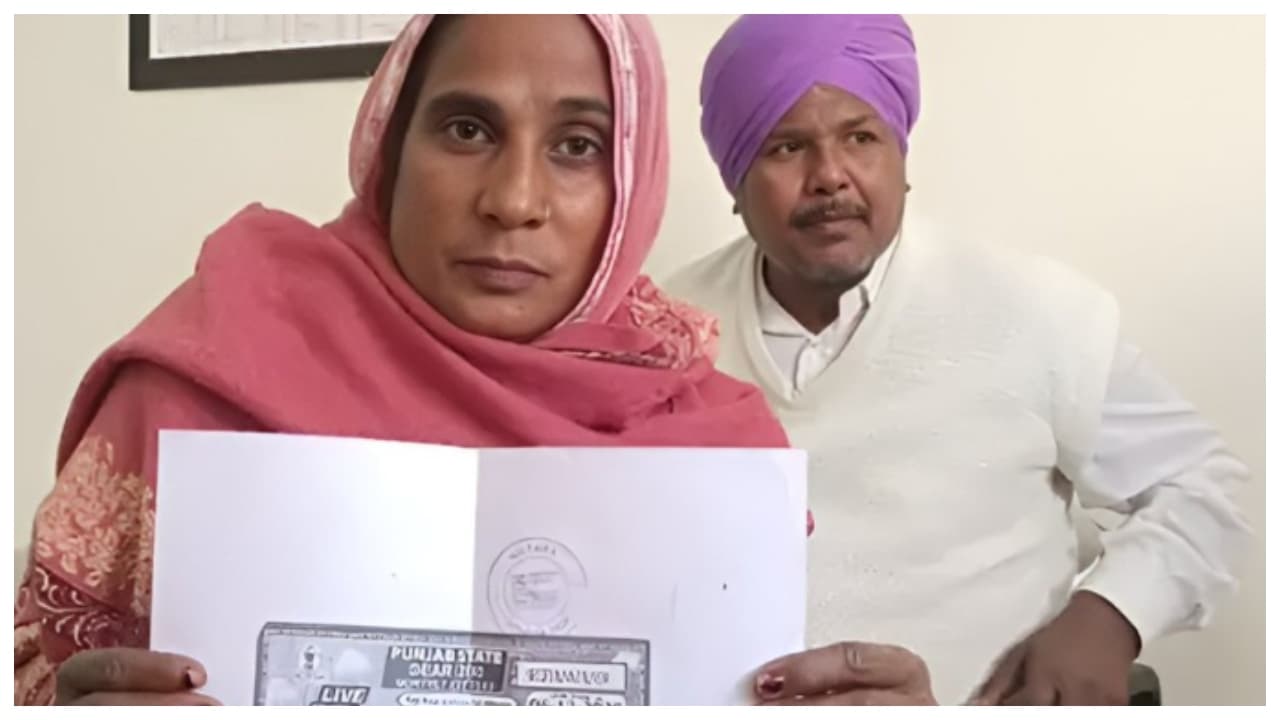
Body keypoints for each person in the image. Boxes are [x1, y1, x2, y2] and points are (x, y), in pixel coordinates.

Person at [14, 14, 911, 707]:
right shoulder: (206, 374)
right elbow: (37, 669)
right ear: (391, 148)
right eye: (468, 129)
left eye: (578, 146)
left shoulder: (712, 448)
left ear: (632, 182)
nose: (514, 200)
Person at [664, 14, 1250, 706]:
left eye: (861, 138)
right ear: (734, 179)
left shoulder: (1034, 312)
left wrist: (1110, 615)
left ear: (901, 157)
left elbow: (1203, 488)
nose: (830, 177)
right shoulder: (659, 334)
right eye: (787, 147)